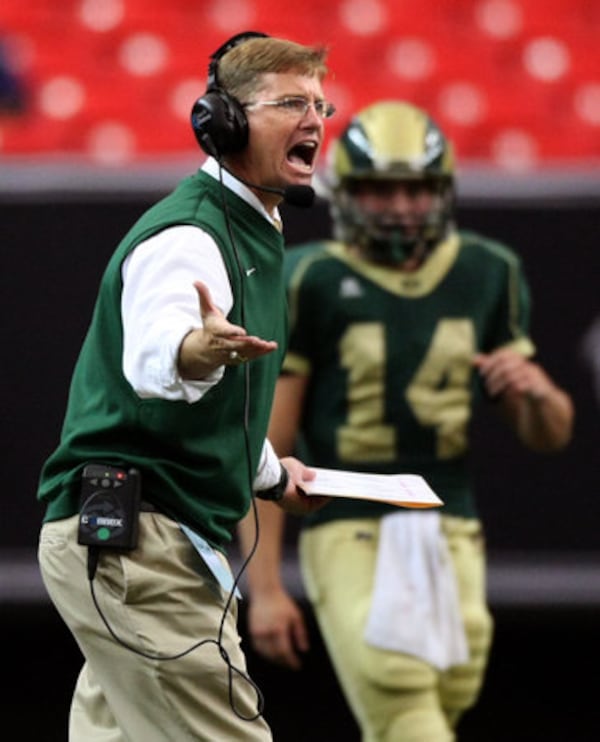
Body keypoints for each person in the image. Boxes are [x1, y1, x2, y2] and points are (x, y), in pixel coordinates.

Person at [237, 100, 575, 741]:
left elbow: (550, 434)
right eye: (380, 189)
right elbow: (269, 450)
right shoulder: (313, 279)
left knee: (446, 692)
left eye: (415, 189)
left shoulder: (486, 271)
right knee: (403, 702)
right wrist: (266, 584)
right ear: (348, 194)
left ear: (441, 192)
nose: (398, 206)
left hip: (451, 521)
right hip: (349, 520)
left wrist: (537, 393)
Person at [36, 30, 334, 742]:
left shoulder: (252, 230)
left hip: (149, 543)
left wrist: (268, 475)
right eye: (291, 102)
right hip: (140, 547)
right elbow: (155, 362)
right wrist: (198, 350)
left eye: (322, 104)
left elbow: (221, 412)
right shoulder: (191, 236)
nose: (316, 120)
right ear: (222, 121)